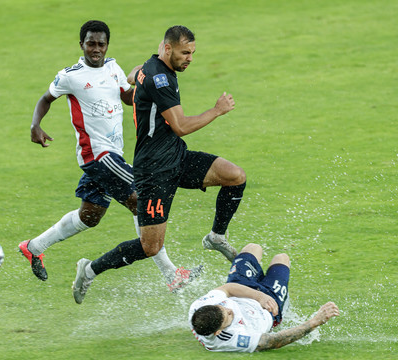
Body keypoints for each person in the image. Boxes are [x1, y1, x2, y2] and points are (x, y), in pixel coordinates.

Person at [18, 20, 202, 292]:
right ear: (81, 44)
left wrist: (144, 84)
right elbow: (46, 98)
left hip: (113, 153)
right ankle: (172, 274)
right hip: (97, 155)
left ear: (107, 45)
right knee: (141, 199)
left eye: (100, 44)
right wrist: (35, 125)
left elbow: (128, 97)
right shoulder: (71, 75)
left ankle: (34, 247)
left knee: (89, 216)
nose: (96, 48)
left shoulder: (113, 68)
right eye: (90, 43)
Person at [72, 25, 247, 304]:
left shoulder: (150, 67)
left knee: (235, 175)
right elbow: (179, 125)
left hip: (176, 156)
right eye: (184, 52)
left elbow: (132, 74)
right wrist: (217, 110)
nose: (189, 58)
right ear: (167, 49)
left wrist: (136, 81)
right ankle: (90, 269)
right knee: (150, 246)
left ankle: (216, 236)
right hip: (154, 171)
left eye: (192, 53)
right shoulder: (160, 80)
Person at [189, 243, 340, 352]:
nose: (230, 310)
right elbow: (274, 342)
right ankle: (281, 302)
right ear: (218, 332)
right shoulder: (232, 340)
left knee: (253, 248)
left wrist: (258, 295)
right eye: (228, 316)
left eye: (223, 307)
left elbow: (227, 288)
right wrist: (315, 322)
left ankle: (253, 274)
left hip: (244, 291)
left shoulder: (199, 308)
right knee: (282, 258)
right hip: (268, 308)